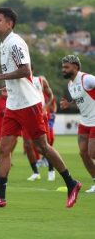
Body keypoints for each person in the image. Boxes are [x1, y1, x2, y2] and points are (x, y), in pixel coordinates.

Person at [0, 7, 81, 208]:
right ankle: (0, 196)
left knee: (42, 147)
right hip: (14, 104)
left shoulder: (15, 43)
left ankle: (72, 183)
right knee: (4, 148)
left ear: (9, 24)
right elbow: (19, 74)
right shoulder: (3, 45)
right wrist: (7, 85)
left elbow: (25, 70)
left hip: (28, 104)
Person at [60, 55, 95, 193]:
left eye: (66, 67)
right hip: (84, 121)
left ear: (76, 67)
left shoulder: (86, 79)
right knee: (83, 153)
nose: (63, 70)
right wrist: (69, 105)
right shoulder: (70, 84)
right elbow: (80, 102)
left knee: (93, 153)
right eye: (63, 67)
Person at [23, 72, 56, 182]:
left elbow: (51, 95)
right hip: (26, 115)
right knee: (28, 145)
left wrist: (45, 107)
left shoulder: (40, 80)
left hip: (40, 116)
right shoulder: (19, 82)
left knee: (43, 146)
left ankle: (51, 170)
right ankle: (35, 172)